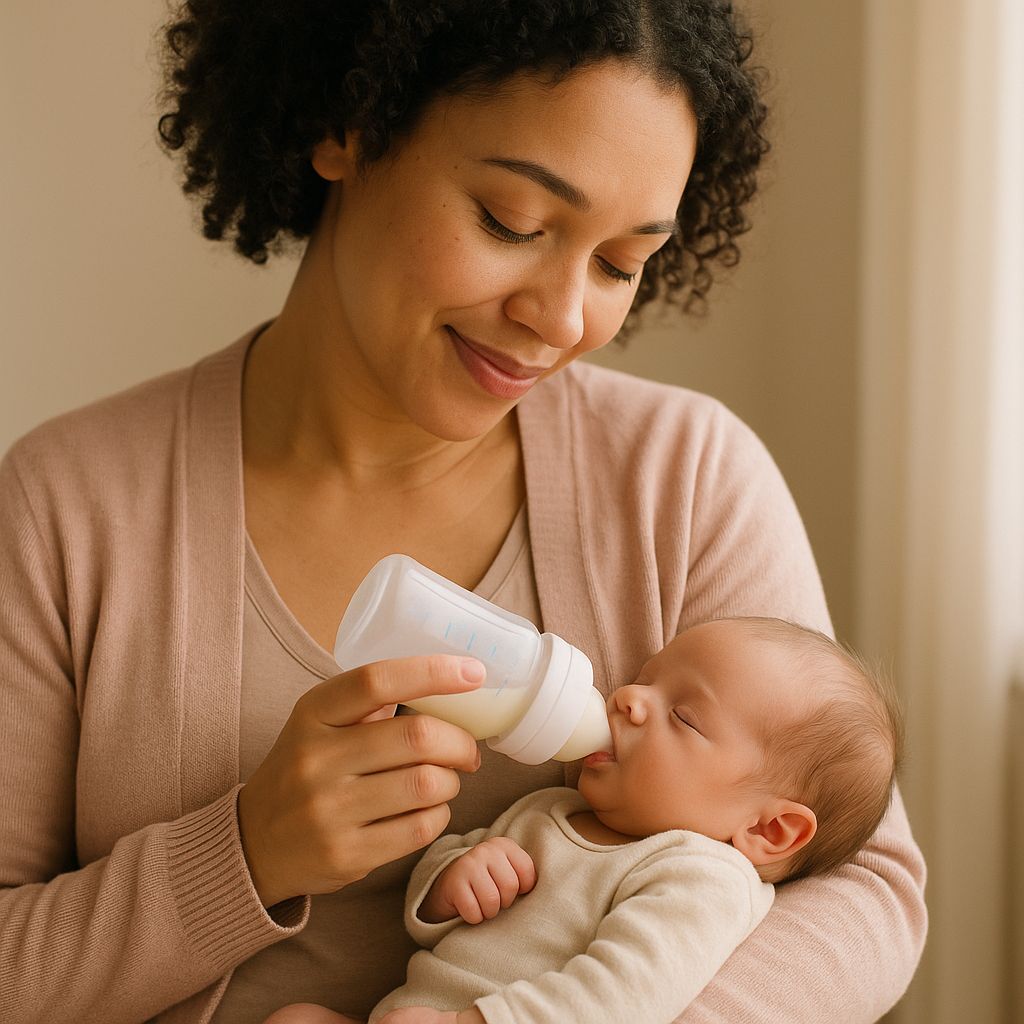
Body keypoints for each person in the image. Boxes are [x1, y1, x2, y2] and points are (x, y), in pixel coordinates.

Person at [0, 3, 926, 1023]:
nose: (564, 318)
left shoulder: (684, 479)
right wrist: (245, 852)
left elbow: (860, 894)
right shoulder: (68, 509)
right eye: (512, 224)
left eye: (621, 263)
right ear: (345, 126)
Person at [260, 615, 904, 1024]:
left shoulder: (701, 877)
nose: (627, 699)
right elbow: (429, 922)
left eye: (684, 716)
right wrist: (455, 880)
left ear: (768, 831)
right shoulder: (555, 810)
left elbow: (622, 997)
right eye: (645, 680)